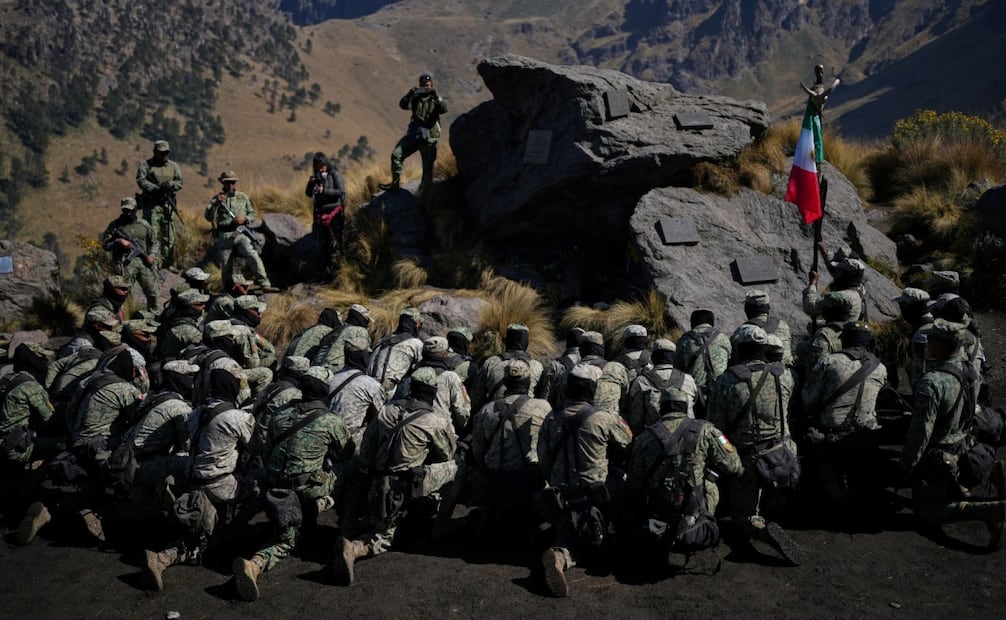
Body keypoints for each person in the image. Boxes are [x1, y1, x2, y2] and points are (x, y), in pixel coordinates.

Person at [233, 367, 354, 602]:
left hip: (274, 483)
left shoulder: (281, 413)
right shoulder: (330, 421)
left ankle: (310, 509)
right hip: (304, 489)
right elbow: (347, 454)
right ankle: (255, 564)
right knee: (287, 542)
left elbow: (268, 452)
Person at [333, 367, 457, 585]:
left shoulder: (386, 411)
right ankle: (354, 548)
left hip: (375, 480)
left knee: (381, 512)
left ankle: (359, 522)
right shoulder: (434, 421)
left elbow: (367, 452)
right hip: (401, 487)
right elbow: (447, 453)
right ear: (432, 392)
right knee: (384, 537)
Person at [901, 319, 1005, 549]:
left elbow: (921, 433)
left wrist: (908, 463)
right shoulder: (968, 370)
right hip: (964, 442)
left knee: (927, 513)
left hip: (940, 453)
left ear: (939, 344)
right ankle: (989, 472)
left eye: (931, 339)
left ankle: (991, 511)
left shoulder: (932, 383)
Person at [706, 325, 803, 565]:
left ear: (739, 348)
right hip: (784, 451)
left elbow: (715, 429)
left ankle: (760, 526)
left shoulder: (726, 381)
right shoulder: (785, 375)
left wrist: (727, 453)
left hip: (748, 456)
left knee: (743, 515)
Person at [537, 364, 632, 598]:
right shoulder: (604, 418)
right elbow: (628, 442)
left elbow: (543, 459)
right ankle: (614, 537)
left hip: (561, 498)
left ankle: (559, 556)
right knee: (624, 479)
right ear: (593, 389)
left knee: (568, 535)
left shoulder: (551, 417)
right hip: (596, 498)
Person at [624, 388, 742, 571]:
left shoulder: (645, 437)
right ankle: (696, 525)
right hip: (695, 503)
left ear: (661, 408)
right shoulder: (705, 430)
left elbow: (633, 483)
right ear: (686, 406)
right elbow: (734, 466)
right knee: (709, 482)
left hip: (659, 505)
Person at [800, 322, 887, 521]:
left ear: (845, 339)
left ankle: (833, 498)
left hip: (831, 433)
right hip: (866, 434)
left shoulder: (829, 362)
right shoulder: (879, 367)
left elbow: (808, 399)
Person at [470, 358, 551, 540]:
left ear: (505, 382)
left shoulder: (487, 410)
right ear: (529, 381)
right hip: (526, 479)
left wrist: (486, 469)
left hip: (495, 476)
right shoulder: (542, 407)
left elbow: (477, 448)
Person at [204, 171, 276, 293]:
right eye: (227, 182)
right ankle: (227, 290)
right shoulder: (217, 199)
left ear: (235, 183)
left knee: (252, 255)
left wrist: (245, 219)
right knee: (225, 264)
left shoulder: (243, 197)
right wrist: (216, 204)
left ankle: (264, 283)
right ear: (223, 183)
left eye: (232, 182)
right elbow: (208, 217)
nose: (230, 185)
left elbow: (252, 214)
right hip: (225, 235)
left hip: (241, 232)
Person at [379, 73, 448, 192]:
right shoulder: (416, 98)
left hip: (429, 138)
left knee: (427, 168)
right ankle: (395, 185)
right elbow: (403, 105)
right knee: (396, 155)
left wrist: (436, 96)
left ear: (432, 86)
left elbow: (444, 109)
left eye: (427, 85)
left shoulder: (435, 99)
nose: (425, 88)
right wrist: (410, 93)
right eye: (422, 85)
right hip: (415, 135)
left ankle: (425, 194)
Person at [627, 338, 697, 434]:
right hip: (686, 435)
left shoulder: (641, 381)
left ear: (653, 357)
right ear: (674, 357)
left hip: (655, 437)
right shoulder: (688, 379)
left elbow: (636, 419)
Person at [100, 197, 159, 310]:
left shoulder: (144, 224)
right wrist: (119, 242)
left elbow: (155, 242)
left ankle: (154, 318)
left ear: (136, 209)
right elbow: (105, 245)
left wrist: (151, 256)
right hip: (124, 265)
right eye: (125, 210)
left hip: (144, 264)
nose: (127, 213)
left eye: (130, 210)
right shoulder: (115, 226)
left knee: (153, 293)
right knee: (123, 295)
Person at [136, 140, 182, 271]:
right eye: (161, 153)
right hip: (152, 205)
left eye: (166, 153)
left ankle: (168, 264)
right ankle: (152, 263)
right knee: (152, 235)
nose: (164, 155)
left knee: (169, 235)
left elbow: (179, 182)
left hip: (168, 205)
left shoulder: (173, 166)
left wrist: (170, 185)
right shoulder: (146, 165)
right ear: (155, 152)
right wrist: (156, 188)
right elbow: (141, 180)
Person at [675, 309, 731, 416]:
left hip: (694, 395)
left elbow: (678, 370)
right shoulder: (723, 338)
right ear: (712, 323)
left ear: (692, 323)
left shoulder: (684, 341)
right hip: (720, 392)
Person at [305, 153, 347, 275]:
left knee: (334, 243)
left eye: (322, 164)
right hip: (319, 214)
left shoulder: (334, 174)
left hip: (334, 213)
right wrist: (311, 183)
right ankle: (323, 272)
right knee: (321, 244)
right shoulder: (316, 177)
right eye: (318, 165)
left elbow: (340, 192)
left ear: (326, 163)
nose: (320, 167)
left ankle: (338, 271)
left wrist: (325, 191)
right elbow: (308, 194)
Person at [731, 290, 792, 366]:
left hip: (754, 375)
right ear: (767, 308)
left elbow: (735, 361)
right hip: (783, 374)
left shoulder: (743, 332)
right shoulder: (783, 326)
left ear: (747, 309)